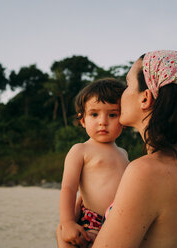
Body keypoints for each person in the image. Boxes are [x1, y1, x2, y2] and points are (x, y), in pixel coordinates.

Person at [57, 50, 177, 248]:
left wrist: (63, 240)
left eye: (128, 85)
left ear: (145, 98)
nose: (122, 95)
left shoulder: (146, 171)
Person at [58, 78, 129, 247]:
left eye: (112, 115)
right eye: (94, 114)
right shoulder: (80, 150)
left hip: (121, 221)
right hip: (93, 222)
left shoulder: (123, 153)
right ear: (83, 120)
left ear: (123, 120)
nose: (103, 121)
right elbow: (68, 188)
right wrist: (67, 222)